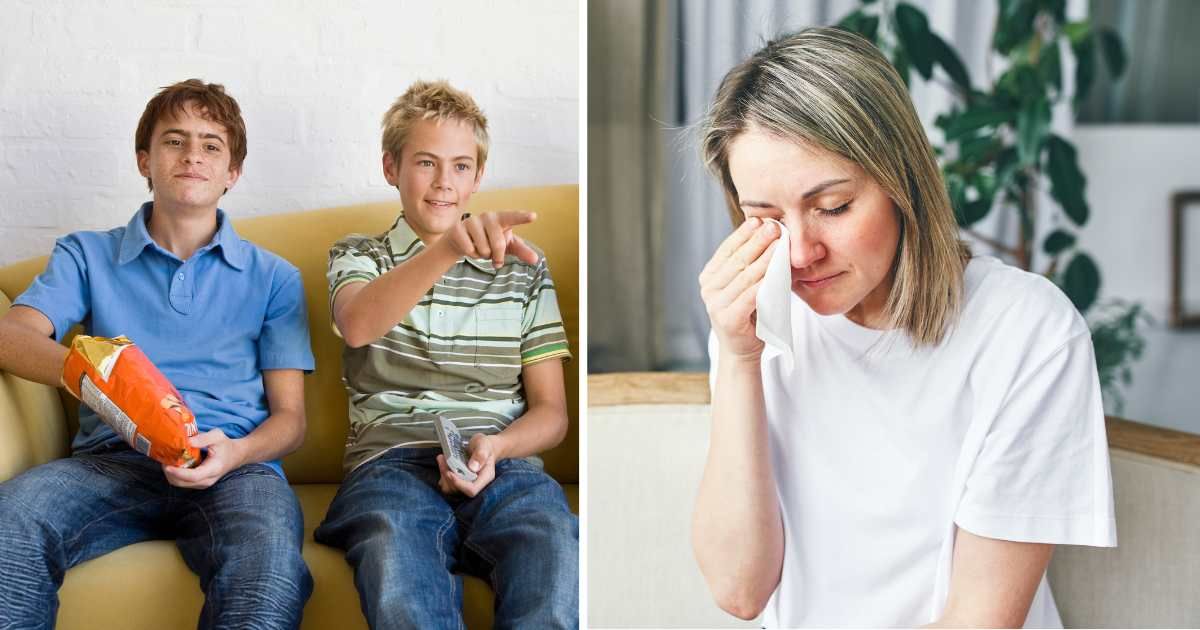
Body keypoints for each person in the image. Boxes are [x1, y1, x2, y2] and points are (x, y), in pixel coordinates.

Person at [691, 28, 1116, 628]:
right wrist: (738, 360)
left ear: (903, 182)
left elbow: (980, 620)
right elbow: (740, 591)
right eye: (766, 218)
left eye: (834, 207)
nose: (801, 253)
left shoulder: (1026, 331)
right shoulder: (755, 326)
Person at [0, 79, 314, 628]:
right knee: (10, 522)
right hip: (111, 462)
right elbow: (11, 336)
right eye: (174, 140)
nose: (193, 154)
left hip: (233, 466)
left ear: (232, 173)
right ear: (144, 160)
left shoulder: (275, 278)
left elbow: (291, 420)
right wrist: (96, 381)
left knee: (268, 573)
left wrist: (236, 454)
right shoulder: (86, 254)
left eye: (212, 145)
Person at [315, 80, 577, 629]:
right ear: (391, 167)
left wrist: (497, 448)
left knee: (551, 557)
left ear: (478, 177)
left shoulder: (525, 269)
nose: (443, 183)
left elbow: (552, 414)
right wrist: (450, 247)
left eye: (460, 167)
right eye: (426, 163)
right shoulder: (358, 254)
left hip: (501, 465)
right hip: (389, 464)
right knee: (400, 578)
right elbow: (359, 324)